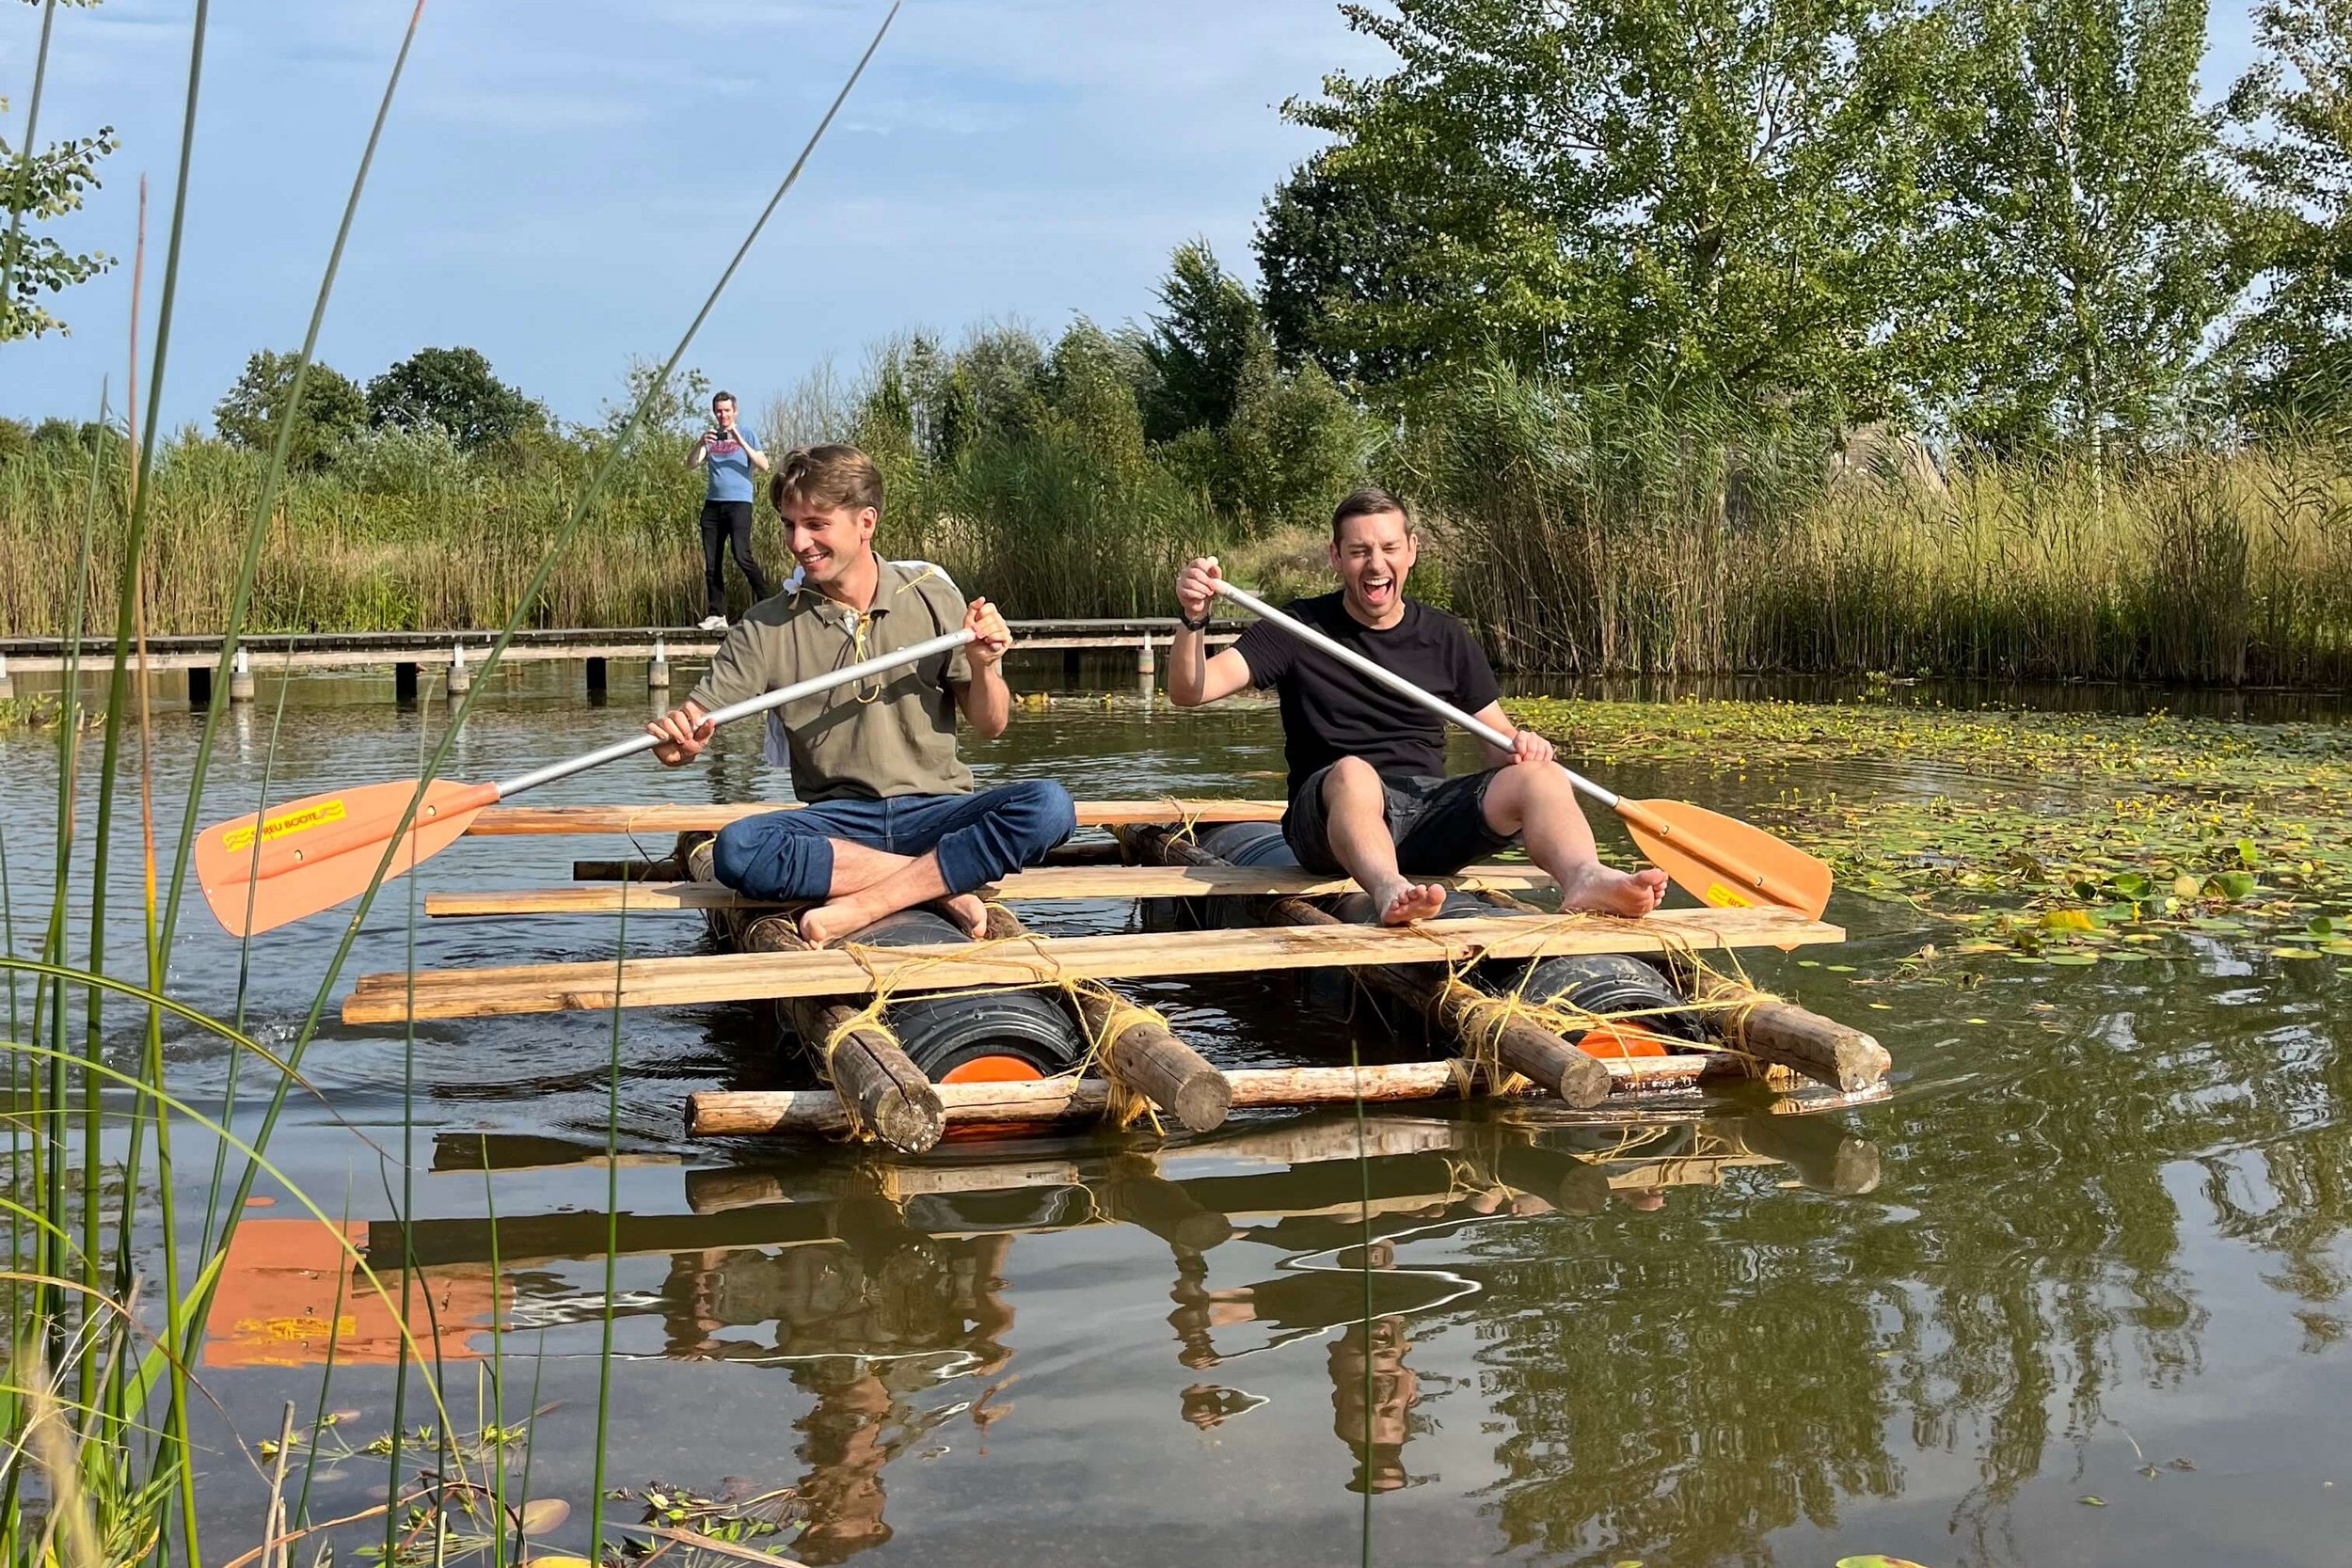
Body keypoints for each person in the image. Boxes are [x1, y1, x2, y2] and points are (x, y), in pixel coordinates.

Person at [1168, 486, 1665, 926]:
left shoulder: (1446, 635)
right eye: (1359, 551)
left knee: (1541, 776)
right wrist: (1193, 619)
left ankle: (1584, 877)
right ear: (1336, 557)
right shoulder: (1296, 627)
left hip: (1425, 812)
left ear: (1411, 551)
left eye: (1388, 548)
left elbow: (1498, 740)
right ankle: (1390, 889)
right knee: (1353, 773)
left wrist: (1525, 748)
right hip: (1330, 820)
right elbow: (1191, 691)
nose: (1375, 564)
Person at [646, 443, 1075, 945]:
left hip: (937, 813)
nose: (798, 542)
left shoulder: (931, 594)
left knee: (1050, 807)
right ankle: (938, 886)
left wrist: (985, 666)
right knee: (739, 848)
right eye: (789, 525)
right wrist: (675, 741)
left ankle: (872, 900)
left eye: (816, 524)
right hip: (839, 824)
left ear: (865, 522)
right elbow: (692, 720)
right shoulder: (765, 626)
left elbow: (991, 723)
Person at [689, 390, 773, 631]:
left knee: (741, 555)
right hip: (713, 506)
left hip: (739, 504)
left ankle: (769, 602)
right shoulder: (711, 438)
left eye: (726, 410)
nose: (722, 415)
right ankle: (717, 614)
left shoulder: (746, 434)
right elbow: (691, 464)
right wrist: (700, 442)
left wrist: (739, 440)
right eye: (718, 411)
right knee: (712, 562)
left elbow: (764, 465)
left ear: (735, 411)